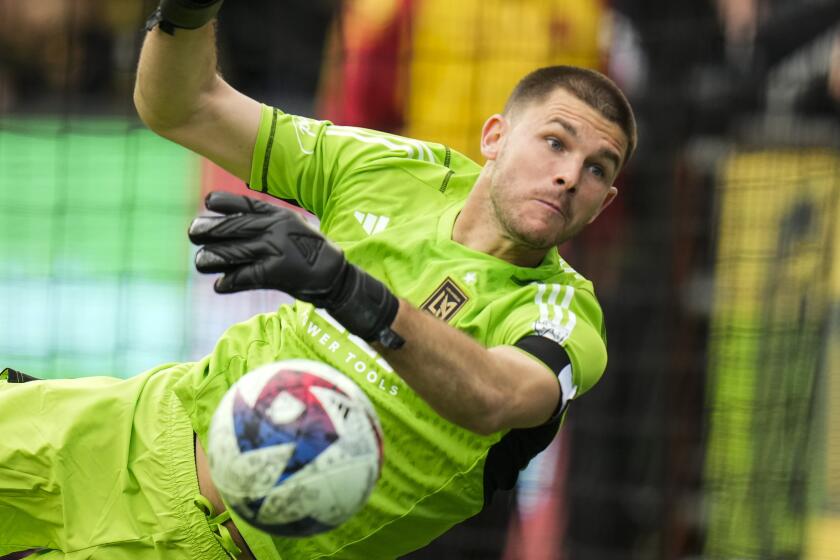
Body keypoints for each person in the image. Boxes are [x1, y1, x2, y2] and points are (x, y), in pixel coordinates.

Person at [0, 1, 636, 558]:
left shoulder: (564, 314)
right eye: (555, 143)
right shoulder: (398, 171)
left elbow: (496, 396)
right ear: (495, 137)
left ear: (605, 202)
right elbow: (183, 106)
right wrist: (189, 11)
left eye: (598, 170)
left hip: (215, 549)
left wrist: (346, 287)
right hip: (128, 425)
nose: (569, 176)